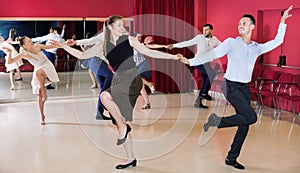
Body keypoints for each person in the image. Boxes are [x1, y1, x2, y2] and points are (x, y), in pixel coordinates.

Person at [52, 15, 181, 169]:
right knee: (120, 122)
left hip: (132, 79)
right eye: (119, 25)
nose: (123, 28)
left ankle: (124, 129)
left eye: (123, 25)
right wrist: (63, 46)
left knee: (105, 96)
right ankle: (130, 157)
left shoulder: (129, 40)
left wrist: (173, 57)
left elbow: (150, 52)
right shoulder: (102, 45)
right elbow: (82, 55)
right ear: (110, 28)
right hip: (119, 80)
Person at [179, 6, 293, 170]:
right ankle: (216, 121)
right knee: (251, 117)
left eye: (244, 23)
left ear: (252, 26)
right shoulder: (231, 43)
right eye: (239, 23)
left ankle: (231, 158)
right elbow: (213, 54)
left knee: (244, 124)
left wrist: (282, 22)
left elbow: (277, 42)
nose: (240, 25)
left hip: (245, 88)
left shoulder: (256, 47)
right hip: (230, 86)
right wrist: (190, 62)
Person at [3, 36, 60, 125]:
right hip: (38, 68)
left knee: (38, 74)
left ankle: (44, 91)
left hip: (47, 65)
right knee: (39, 94)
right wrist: (9, 52)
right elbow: (10, 62)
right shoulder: (23, 53)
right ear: (24, 46)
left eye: (30, 40)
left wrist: (62, 44)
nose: (31, 41)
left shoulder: (37, 46)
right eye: (29, 41)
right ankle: (42, 116)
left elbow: (50, 47)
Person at [168, 24, 221, 109]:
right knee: (211, 74)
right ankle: (204, 93)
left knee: (207, 80)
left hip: (206, 62)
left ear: (211, 30)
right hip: (198, 62)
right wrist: (174, 45)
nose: (204, 32)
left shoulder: (215, 40)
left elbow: (222, 46)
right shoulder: (199, 38)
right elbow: (187, 43)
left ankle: (198, 102)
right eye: (203, 30)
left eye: (206, 30)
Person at [66, 31, 114, 120]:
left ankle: (100, 112)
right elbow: (90, 41)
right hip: (97, 62)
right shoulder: (105, 35)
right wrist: (76, 42)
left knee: (105, 87)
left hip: (97, 62)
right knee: (108, 82)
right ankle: (106, 109)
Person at [133, 33, 167, 109]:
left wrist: (164, 46)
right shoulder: (129, 46)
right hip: (136, 67)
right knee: (141, 87)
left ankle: (149, 84)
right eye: (138, 37)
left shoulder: (141, 45)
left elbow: (152, 46)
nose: (139, 39)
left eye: (140, 37)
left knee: (135, 76)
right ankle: (147, 103)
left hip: (143, 64)